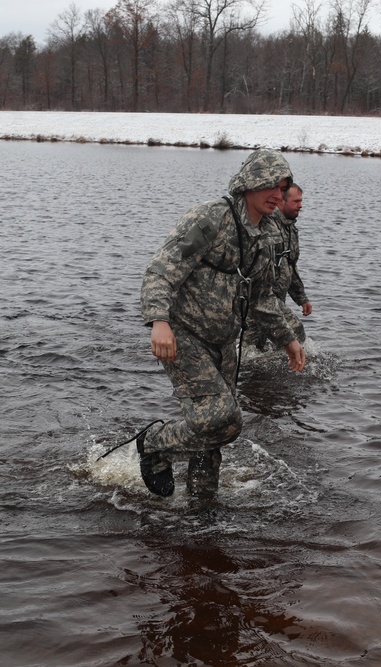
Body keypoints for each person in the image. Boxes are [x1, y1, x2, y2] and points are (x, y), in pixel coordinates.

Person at [136, 148, 306, 499]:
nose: (278, 195)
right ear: (249, 185)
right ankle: (153, 443)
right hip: (184, 335)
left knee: (217, 430)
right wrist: (158, 321)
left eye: (283, 187)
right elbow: (161, 270)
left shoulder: (269, 234)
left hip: (226, 342)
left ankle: (201, 505)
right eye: (271, 187)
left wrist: (287, 338)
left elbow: (261, 298)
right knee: (222, 418)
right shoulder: (211, 218)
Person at [243, 183, 313, 351]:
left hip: (276, 299)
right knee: (294, 331)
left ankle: (280, 367)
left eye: (301, 201)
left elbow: (290, 265)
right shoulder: (267, 226)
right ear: (281, 202)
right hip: (260, 297)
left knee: (256, 346)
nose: (300, 205)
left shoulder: (290, 229)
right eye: (296, 201)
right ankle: (297, 365)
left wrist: (301, 298)